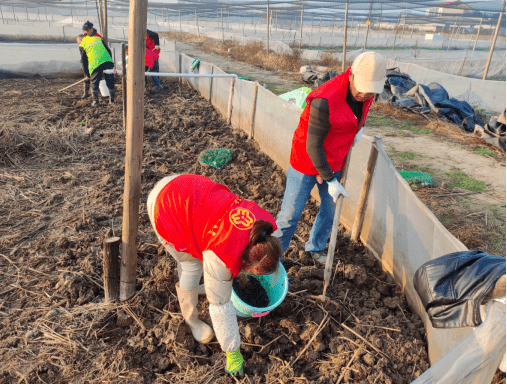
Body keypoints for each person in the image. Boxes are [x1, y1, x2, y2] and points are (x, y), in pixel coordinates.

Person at [147, 174, 282, 376]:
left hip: (186, 185)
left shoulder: (263, 229)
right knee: (191, 264)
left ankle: (202, 289)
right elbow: (220, 307)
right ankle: (191, 319)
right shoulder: (220, 253)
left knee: (204, 257)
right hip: (167, 205)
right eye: (252, 272)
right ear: (248, 264)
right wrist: (233, 351)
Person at [274, 52, 386, 264]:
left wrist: (358, 129)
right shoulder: (325, 99)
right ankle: (273, 258)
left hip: (335, 158)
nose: (364, 94)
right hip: (306, 160)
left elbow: (360, 110)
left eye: (369, 91)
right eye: (361, 89)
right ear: (351, 76)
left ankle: (315, 248)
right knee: (290, 214)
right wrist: (330, 180)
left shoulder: (367, 94)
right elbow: (313, 146)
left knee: (330, 210)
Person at [77, 34, 116, 107]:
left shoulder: (83, 44)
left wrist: (87, 74)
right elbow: (108, 50)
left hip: (95, 63)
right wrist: (110, 62)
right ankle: (112, 100)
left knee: (94, 83)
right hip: (107, 60)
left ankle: (95, 102)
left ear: (80, 41)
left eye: (78, 42)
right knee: (110, 80)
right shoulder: (97, 39)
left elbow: (84, 60)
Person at [80, 21, 102, 99]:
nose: (87, 32)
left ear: (91, 29)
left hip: (96, 60)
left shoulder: (98, 36)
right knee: (87, 76)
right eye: (85, 31)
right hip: (88, 58)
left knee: (97, 76)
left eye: (88, 30)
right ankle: (86, 92)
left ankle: (97, 92)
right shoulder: (85, 36)